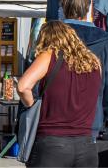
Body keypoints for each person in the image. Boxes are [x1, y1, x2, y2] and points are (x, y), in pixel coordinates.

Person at [16, 21, 103, 167]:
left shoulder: (49, 56)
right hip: (86, 146)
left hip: (52, 143)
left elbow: (23, 87)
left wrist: (32, 106)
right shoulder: (94, 63)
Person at [55, 0, 108, 138]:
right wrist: (103, 116)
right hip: (91, 119)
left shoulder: (54, 39)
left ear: (63, 7)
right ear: (88, 8)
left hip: (56, 119)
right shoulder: (104, 42)